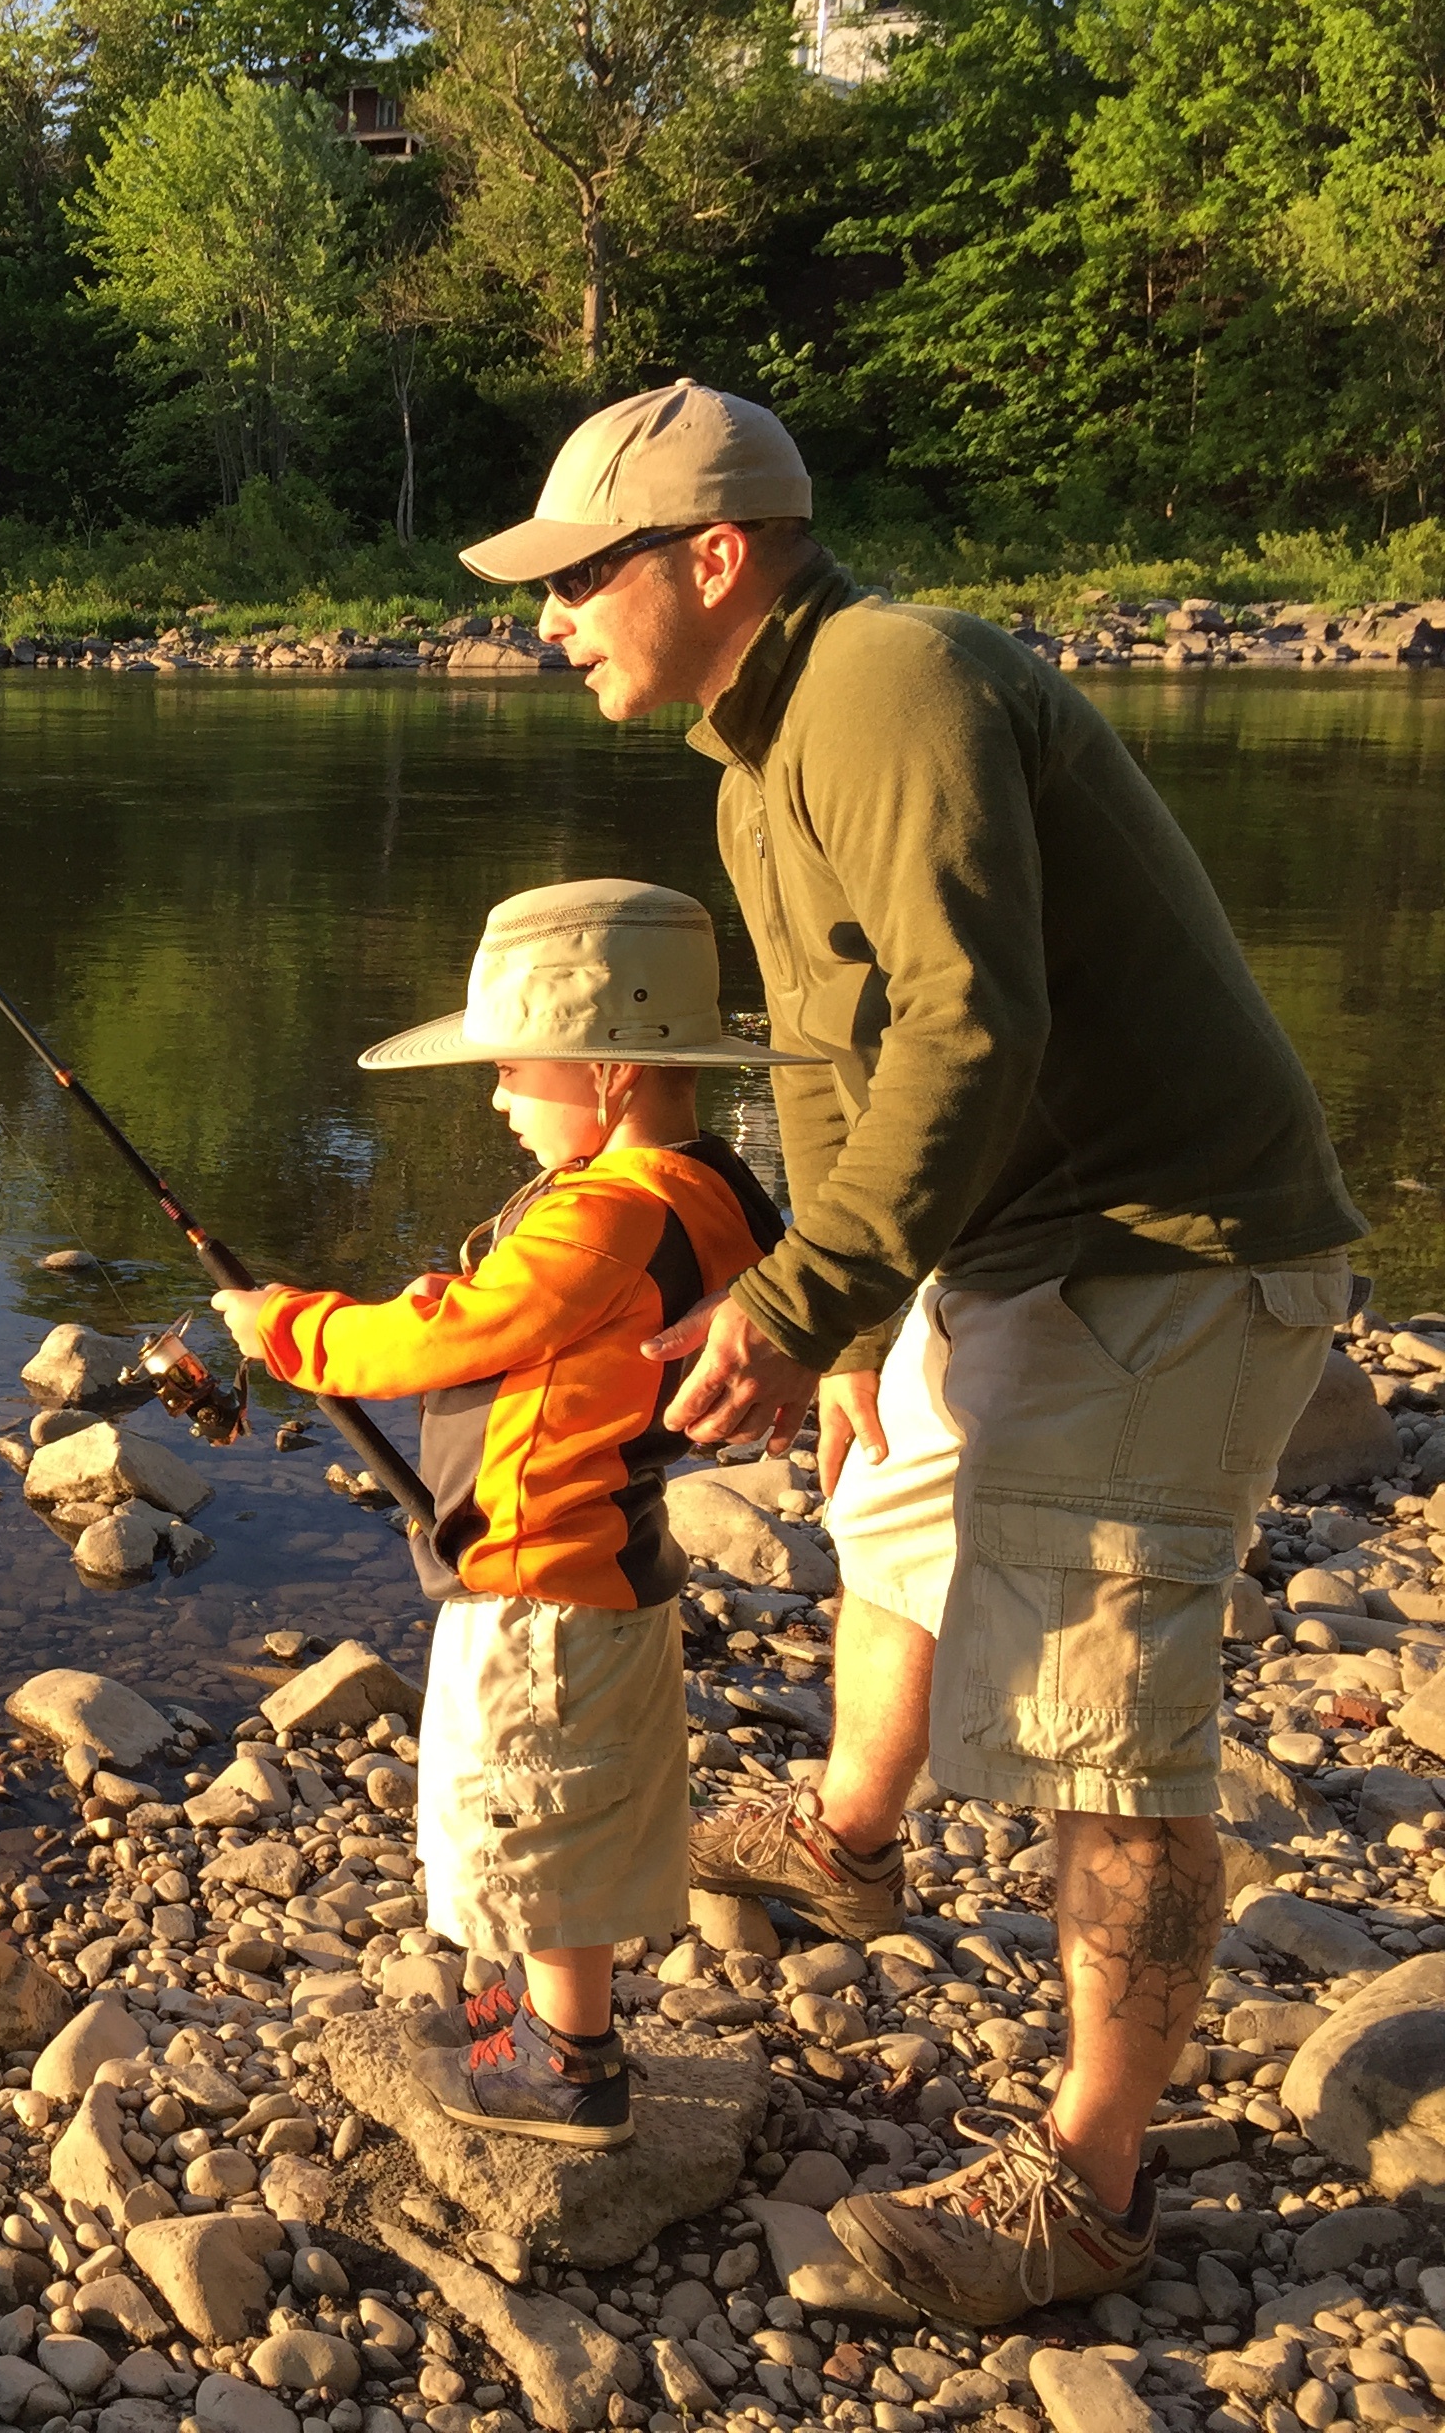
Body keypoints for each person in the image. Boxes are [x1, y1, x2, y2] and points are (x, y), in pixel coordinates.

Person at [455, 382, 1364, 2322]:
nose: (552, 618)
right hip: (1017, 1235)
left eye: (578, 576)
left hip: (1176, 1253)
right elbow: (826, 1057)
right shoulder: (748, 760)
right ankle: (848, 1841)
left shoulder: (887, 679)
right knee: (893, 1504)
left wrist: (791, 1307)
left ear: (714, 557)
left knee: (1104, 1720)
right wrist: (853, 1308)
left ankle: (1095, 2184)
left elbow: (972, 1030)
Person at [211, 878, 796, 2147]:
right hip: (615, 1557)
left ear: (611, 1073)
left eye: (513, 1068)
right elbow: (535, 1314)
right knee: (574, 1796)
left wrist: (288, 1330)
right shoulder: (710, 1187)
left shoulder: (605, 1212)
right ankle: (547, 2015)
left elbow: (459, 1331)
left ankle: (571, 2064)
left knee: (526, 1801)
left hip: (543, 1579)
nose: (494, 1096)